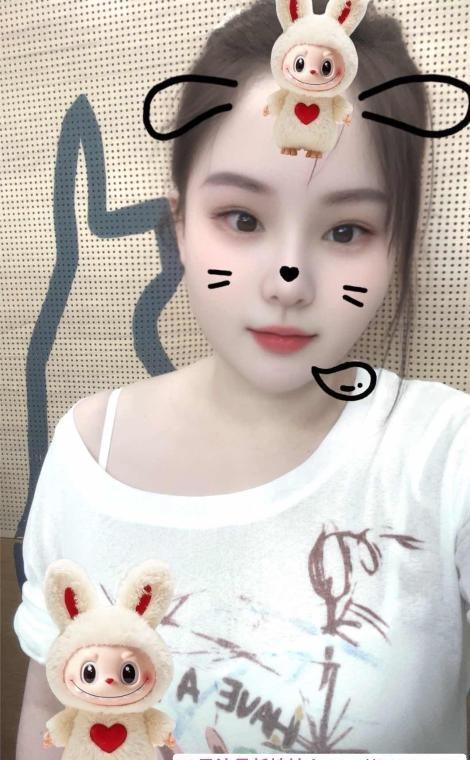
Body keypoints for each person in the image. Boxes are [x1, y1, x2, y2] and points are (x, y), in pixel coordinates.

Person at [14, 0, 470, 755]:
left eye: (346, 230)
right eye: (243, 220)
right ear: (179, 225)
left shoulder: (444, 456)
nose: (289, 281)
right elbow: (45, 707)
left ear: (397, 243)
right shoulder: (87, 450)